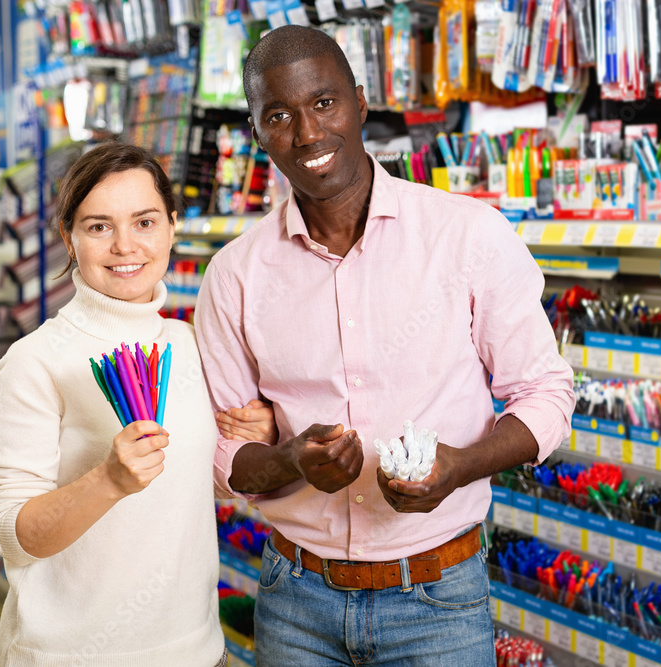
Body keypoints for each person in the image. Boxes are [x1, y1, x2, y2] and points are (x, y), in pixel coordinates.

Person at [195, 25, 575, 666]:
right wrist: (290, 460)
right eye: (279, 116)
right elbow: (221, 453)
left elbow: (546, 393)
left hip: (439, 599)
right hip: (294, 601)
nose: (309, 134)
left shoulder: (467, 236)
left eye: (324, 103)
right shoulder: (235, 275)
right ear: (257, 133)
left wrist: (458, 466)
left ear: (361, 101)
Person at [0, 142, 275, 666]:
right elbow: (13, 537)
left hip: (199, 651)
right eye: (98, 227)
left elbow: (187, 483)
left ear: (171, 227)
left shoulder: (186, 345)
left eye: (144, 222)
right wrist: (108, 480)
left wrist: (256, 439)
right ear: (69, 237)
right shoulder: (34, 363)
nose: (124, 246)